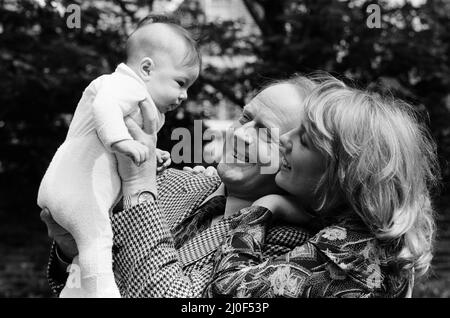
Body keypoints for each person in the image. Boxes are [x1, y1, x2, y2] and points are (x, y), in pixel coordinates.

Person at [41, 75, 318, 297]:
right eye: (245, 119)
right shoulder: (173, 180)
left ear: (294, 158)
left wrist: (139, 188)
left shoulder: (288, 244)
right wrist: (70, 253)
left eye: (265, 133)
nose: (241, 135)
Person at [203, 75, 440, 298]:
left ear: (339, 173)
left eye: (304, 140)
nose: (284, 139)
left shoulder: (343, 254)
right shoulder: (374, 238)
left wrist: (263, 209)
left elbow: (226, 292)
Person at [37, 17, 200, 297]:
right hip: (75, 185)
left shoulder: (148, 109)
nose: (184, 95)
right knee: (97, 241)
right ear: (147, 68)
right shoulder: (122, 85)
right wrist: (121, 141)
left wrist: (152, 153)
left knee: (90, 250)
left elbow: (135, 146)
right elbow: (105, 107)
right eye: (180, 83)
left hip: (84, 190)